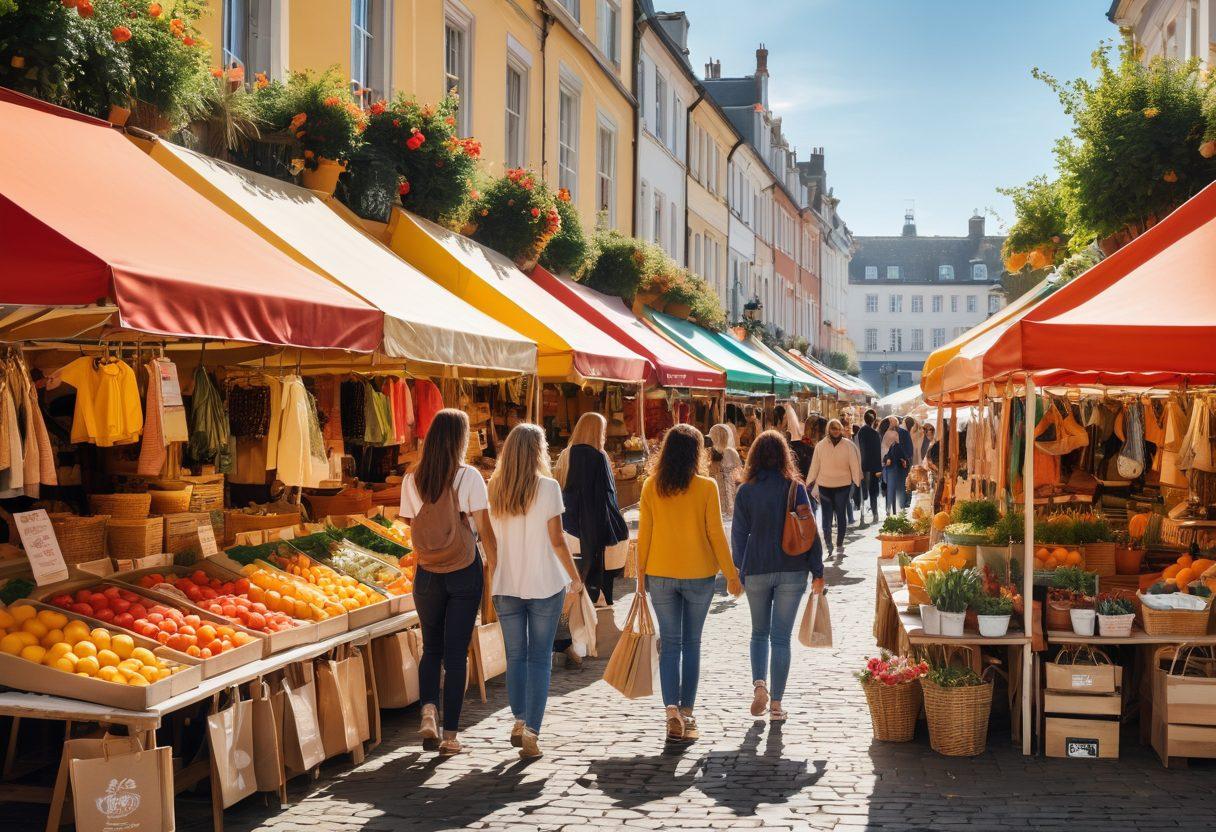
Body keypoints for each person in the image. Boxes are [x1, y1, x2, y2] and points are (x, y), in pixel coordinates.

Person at [400, 409, 498, 756]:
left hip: (427, 572)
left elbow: (411, 524)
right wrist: (497, 569)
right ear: (460, 439)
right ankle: (451, 736)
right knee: (457, 653)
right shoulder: (469, 477)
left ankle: (428, 709)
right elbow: (485, 530)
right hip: (463, 569)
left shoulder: (412, 478)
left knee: (432, 647)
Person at [637, 424, 743, 743]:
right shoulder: (706, 487)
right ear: (698, 453)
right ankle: (687, 713)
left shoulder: (651, 486)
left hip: (660, 573)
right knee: (691, 644)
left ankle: (671, 711)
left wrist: (640, 579)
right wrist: (732, 575)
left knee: (670, 644)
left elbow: (645, 536)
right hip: (699, 574)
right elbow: (715, 534)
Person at [488, 423, 584, 760]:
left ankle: (519, 718)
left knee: (515, 656)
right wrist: (575, 577)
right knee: (540, 658)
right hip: (544, 582)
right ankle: (532, 730)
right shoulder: (548, 487)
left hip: (506, 583)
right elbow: (557, 541)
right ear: (537, 451)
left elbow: (490, 539)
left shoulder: (494, 487)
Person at [731, 430, 825, 722]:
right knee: (781, 638)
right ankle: (776, 705)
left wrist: (740, 569)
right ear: (785, 456)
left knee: (759, 632)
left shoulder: (746, 491)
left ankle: (759, 684)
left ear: (754, 457)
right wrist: (818, 571)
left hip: (757, 568)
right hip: (792, 569)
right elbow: (810, 531)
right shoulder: (794, 488)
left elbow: (738, 536)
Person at [553, 413, 628, 606]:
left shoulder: (565, 455)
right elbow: (607, 496)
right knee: (603, 581)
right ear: (597, 432)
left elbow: (559, 488)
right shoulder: (600, 456)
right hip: (596, 529)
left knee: (573, 579)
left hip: (568, 528)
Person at [806, 418, 861, 557]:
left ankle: (839, 543)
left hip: (843, 485)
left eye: (838, 428)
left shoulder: (848, 445)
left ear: (841, 429)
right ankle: (829, 544)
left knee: (841, 514)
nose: (836, 431)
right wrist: (809, 481)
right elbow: (815, 465)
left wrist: (856, 481)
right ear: (828, 429)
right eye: (833, 428)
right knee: (826, 516)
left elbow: (854, 463)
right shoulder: (820, 446)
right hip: (825, 485)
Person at [708, 423, 743, 518]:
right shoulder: (712, 452)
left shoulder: (713, 452)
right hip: (724, 492)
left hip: (722, 491)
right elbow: (739, 475)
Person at [856, 409, 883, 524]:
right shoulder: (875, 434)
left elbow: (858, 450)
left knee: (863, 492)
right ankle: (875, 515)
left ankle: (862, 516)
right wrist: (879, 469)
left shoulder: (860, 432)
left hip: (863, 465)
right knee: (873, 492)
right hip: (873, 467)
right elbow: (878, 452)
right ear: (874, 420)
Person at [883, 415, 911, 515]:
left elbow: (907, 449)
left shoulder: (901, 433)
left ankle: (896, 510)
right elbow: (883, 450)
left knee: (896, 488)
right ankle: (894, 510)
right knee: (895, 488)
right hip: (893, 465)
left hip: (897, 465)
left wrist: (905, 460)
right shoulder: (887, 433)